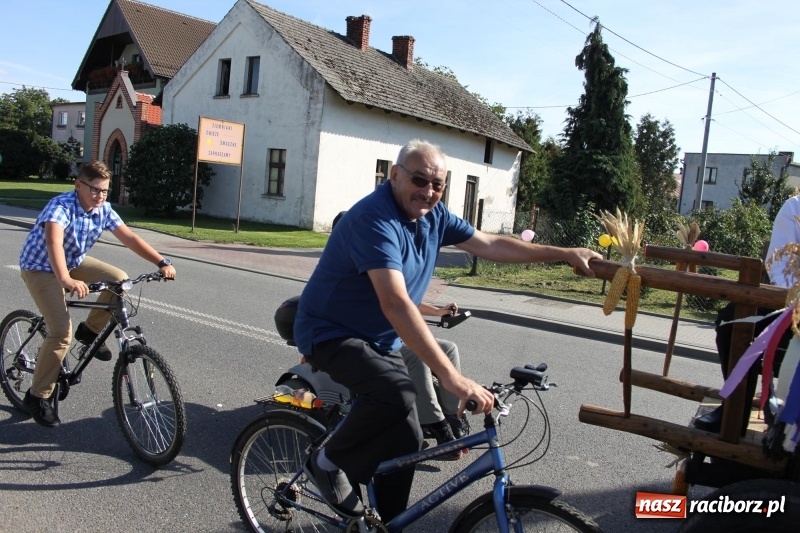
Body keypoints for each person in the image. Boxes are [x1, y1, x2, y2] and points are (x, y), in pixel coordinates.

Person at [294, 139, 600, 521]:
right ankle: (325, 463)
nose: (428, 191)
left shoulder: (433, 215)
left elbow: (491, 245)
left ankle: (387, 524)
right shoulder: (374, 219)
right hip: (330, 331)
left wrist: (565, 253)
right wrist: (453, 378)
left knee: (408, 440)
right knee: (395, 393)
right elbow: (396, 304)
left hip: (378, 339)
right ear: (395, 175)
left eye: (437, 184)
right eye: (419, 180)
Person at [18, 160, 176, 428]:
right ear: (78, 185)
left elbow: (130, 238)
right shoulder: (61, 206)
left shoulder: (103, 209)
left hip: (73, 262)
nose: (100, 195)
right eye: (95, 189)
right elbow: (54, 242)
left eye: (105, 190)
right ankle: (37, 396)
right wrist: (66, 279)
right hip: (40, 267)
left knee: (120, 281)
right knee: (60, 332)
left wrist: (161, 262)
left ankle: (89, 332)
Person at [694, 193, 800, 433]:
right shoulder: (796, 207)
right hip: (794, 305)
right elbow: (782, 268)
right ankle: (736, 410)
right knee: (732, 321)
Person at [402, 301, 468, 460]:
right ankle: (437, 425)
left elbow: (410, 299)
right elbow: (395, 303)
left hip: (401, 334)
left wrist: (438, 311)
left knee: (449, 348)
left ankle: (453, 416)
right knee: (418, 355)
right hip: (378, 340)